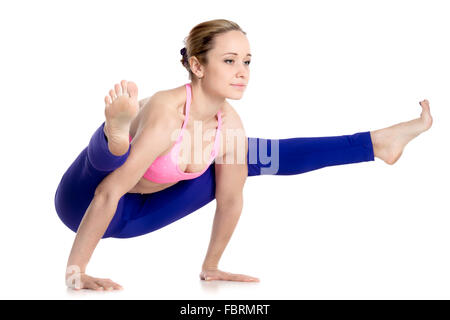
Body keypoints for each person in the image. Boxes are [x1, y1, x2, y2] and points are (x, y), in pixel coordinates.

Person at [55, 19, 433, 291]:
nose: (242, 72)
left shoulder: (228, 123)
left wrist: (212, 266)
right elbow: (107, 193)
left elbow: (230, 200)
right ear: (197, 65)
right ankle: (113, 135)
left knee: (249, 156)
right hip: (84, 203)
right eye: (230, 60)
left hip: (133, 218)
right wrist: (76, 271)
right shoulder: (166, 111)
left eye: (247, 61)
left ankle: (374, 143)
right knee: (112, 159)